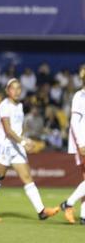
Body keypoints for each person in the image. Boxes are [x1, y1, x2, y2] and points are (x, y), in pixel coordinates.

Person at [0, 79, 59, 222]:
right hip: (4, 146)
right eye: (13, 88)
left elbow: (18, 130)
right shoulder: (4, 106)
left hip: (16, 146)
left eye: (18, 88)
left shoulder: (20, 106)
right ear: (7, 91)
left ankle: (41, 211)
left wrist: (25, 140)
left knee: (27, 178)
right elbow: (8, 131)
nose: (16, 91)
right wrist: (23, 142)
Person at [59, 77, 85, 224]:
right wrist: (81, 143)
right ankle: (69, 203)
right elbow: (74, 122)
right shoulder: (79, 96)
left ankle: (83, 216)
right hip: (83, 141)